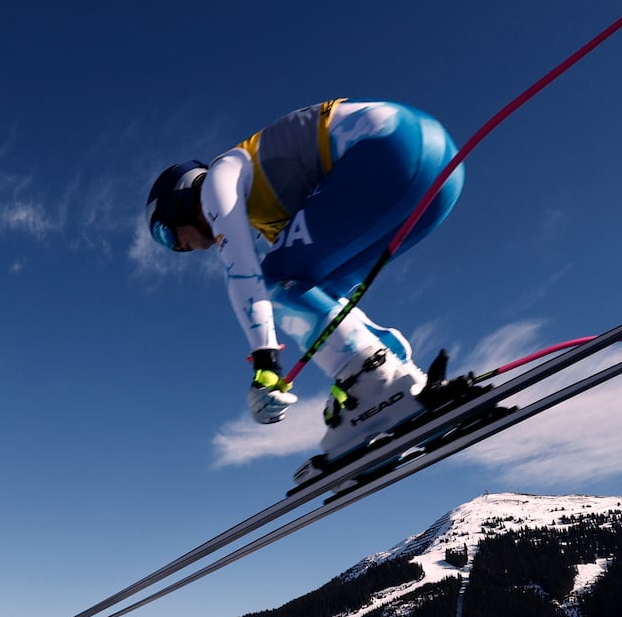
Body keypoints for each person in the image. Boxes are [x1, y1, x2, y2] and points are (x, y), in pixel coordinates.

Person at [146, 99, 464, 465]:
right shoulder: (274, 216)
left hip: (387, 147)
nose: (181, 249)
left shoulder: (221, 174)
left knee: (273, 279)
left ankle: (380, 384)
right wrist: (346, 373)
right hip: (440, 170)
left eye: (167, 236)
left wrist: (265, 364)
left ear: (178, 201)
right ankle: (395, 379)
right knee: (310, 287)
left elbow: (243, 273)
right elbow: (319, 299)